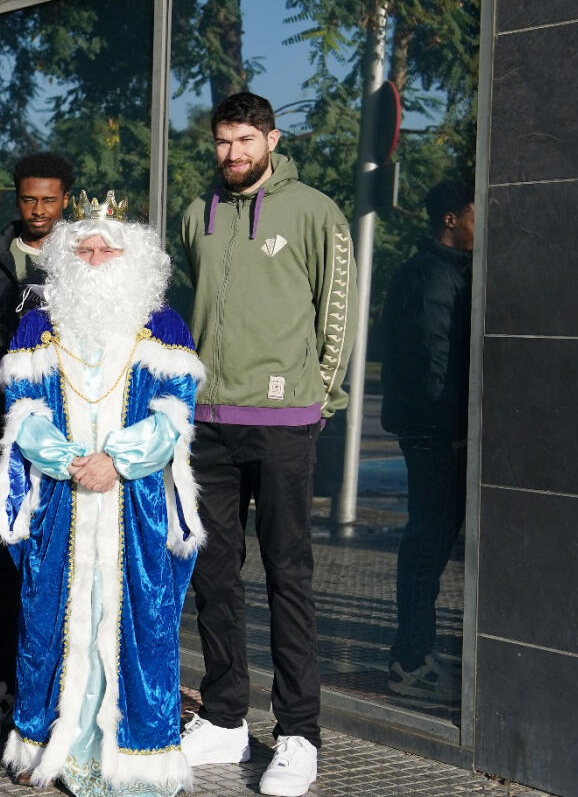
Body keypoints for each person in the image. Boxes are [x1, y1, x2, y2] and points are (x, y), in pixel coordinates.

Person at [0, 191, 205, 796]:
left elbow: (174, 415)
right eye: (82, 247)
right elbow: (23, 411)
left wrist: (117, 460)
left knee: (141, 624)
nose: (93, 257)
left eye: (106, 248)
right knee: (48, 617)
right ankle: (50, 747)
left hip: (133, 503)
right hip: (60, 498)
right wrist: (66, 461)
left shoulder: (163, 325)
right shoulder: (38, 324)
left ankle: (133, 759)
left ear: (132, 258)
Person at [177, 91, 356, 797]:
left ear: (271, 141)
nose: (234, 155)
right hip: (207, 425)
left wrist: (321, 400)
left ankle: (298, 734)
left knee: (289, 578)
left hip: (283, 424)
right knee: (214, 575)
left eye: (247, 141)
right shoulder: (198, 214)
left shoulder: (314, 211)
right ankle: (223, 718)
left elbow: (336, 308)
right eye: (224, 142)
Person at [0, 152, 73, 737]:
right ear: (17, 199)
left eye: (49, 200)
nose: (39, 211)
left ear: (65, 201)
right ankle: (0, 682)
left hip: (67, 436)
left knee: (57, 562)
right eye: (29, 199)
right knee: (4, 559)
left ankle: (53, 687)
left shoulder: (86, 256)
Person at [381, 180, 473, 703]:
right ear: (451, 220)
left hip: (440, 431)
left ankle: (415, 653)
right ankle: (409, 661)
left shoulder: (450, 273)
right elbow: (432, 361)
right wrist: (452, 432)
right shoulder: (429, 276)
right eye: (476, 215)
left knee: (431, 545)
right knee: (426, 544)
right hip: (434, 433)